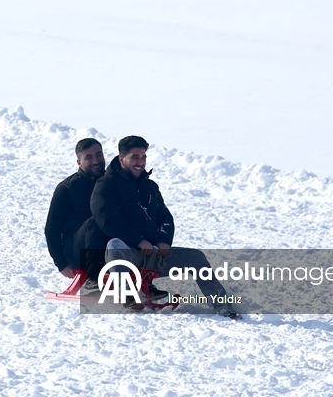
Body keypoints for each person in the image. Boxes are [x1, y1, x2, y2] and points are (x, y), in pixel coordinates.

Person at [79, 135, 240, 318]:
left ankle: (222, 306)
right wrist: (138, 241)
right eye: (135, 157)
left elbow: (165, 217)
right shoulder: (106, 185)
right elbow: (107, 219)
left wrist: (164, 240)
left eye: (143, 157)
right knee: (115, 244)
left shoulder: (150, 187)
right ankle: (129, 297)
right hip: (123, 256)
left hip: (152, 255)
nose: (140, 162)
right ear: (121, 159)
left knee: (195, 256)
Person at [44, 138, 106, 279]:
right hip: (76, 249)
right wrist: (61, 263)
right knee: (96, 221)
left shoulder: (110, 182)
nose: (96, 161)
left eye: (99, 155)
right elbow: (52, 229)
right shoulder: (68, 188)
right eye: (89, 157)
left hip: (105, 244)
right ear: (79, 162)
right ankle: (94, 279)